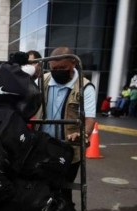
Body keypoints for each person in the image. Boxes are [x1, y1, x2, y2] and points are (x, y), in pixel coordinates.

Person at [34, 46, 96, 202]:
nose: (58, 71)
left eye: (63, 68)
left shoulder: (85, 87)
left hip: (68, 150)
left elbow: (89, 118)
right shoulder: (42, 81)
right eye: (54, 68)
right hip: (42, 145)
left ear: (73, 63)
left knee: (63, 190)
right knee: (40, 188)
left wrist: (83, 134)